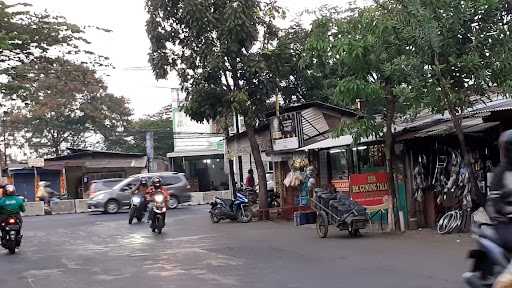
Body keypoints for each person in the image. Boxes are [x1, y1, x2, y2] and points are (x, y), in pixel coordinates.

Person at [487, 130, 512, 288]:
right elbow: (495, 202)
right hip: (505, 223)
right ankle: (503, 283)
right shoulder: (500, 172)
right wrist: (508, 211)